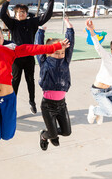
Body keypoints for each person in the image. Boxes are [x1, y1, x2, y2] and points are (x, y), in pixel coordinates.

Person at [0, 0, 70, 141]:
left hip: (9, 98)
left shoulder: (11, 49)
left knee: (8, 136)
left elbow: (33, 49)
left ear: (3, 37)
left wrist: (56, 46)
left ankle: (4, 120)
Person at [0, 0, 57, 114]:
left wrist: (51, 0)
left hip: (29, 57)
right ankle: (11, 106)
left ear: (26, 13)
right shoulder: (13, 24)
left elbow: (47, 16)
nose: (21, 14)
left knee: (30, 81)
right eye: (18, 12)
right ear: (15, 14)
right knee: (15, 82)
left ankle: (32, 102)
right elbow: (2, 15)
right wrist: (6, 1)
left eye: (23, 12)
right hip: (16, 58)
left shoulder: (32, 22)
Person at [35, 17, 74, 151]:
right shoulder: (44, 61)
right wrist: (40, 30)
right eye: (56, 52)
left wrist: (69, 28)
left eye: (62, 52)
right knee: (52, 133)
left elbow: (70, 45)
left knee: (67, 132)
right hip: (47, 105)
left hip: (62, 105)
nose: (59, 55)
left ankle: (53, 133)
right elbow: (39, 46)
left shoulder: (65, 61)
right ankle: (45, 136)